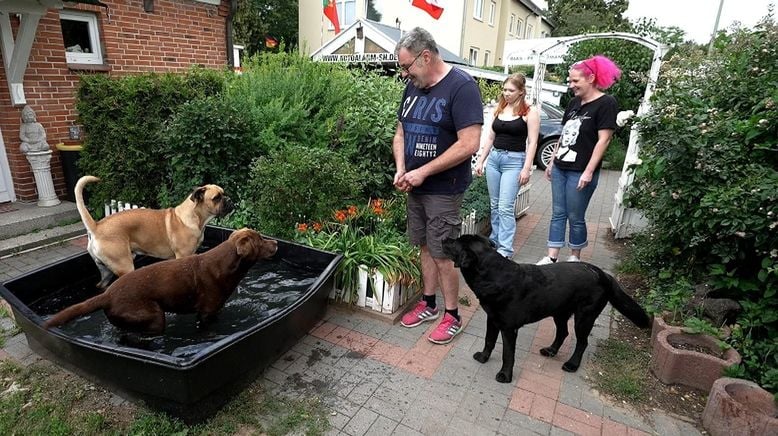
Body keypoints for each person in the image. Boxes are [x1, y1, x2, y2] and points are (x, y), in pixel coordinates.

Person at [393, 27, 483, 344]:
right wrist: (403, 169)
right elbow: (401, 133)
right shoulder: (413, 88)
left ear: (426, 56)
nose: (404, 73)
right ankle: (429, 304)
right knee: (424, 246)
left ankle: (452, 315)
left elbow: (469, 143)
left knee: (444, 253)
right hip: (415, 187)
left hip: (444, 189)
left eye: (407, 66)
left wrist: (425, 172)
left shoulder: (461, 88)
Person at [537, 55, 620, 265]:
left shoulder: (606, 103)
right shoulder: (574, 103)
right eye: (570, 80)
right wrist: (552, 160)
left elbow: (604, 140)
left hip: (581, 170)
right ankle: (552, 256)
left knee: (575, 216)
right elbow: (563, 133)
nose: (571, 85)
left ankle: (575, 258)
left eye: (575, 81)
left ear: (591, 78)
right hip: (561, 167)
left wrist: (589, 171)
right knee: (557, 213)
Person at [474, 74, 539, 258]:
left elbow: (533, 142)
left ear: (521, 91)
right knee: (494, 205)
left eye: (511, 90)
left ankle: (505, 248)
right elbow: (490, 137)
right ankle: (494, 241)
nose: (506, 93)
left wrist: (526, 168)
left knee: (505, 207)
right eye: (504, 89)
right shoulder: (500, 108)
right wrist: (481, 160)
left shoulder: (529, 112)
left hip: (514, 161)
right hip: (494, 159)